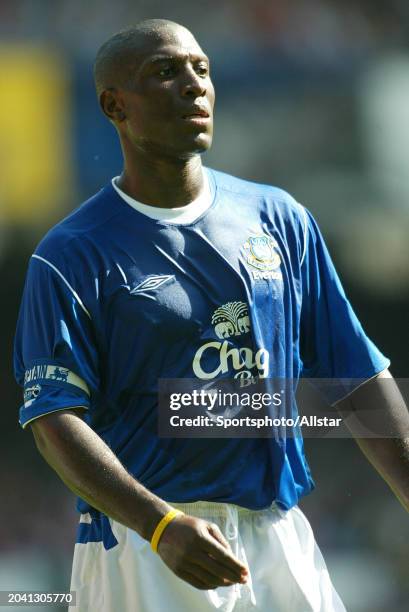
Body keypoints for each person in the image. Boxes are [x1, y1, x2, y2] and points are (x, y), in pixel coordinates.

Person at [14, 19, 409, 612]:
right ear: (113, 104)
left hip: (281, 540)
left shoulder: (280, 218)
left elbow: (355, 377)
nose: (193, 85)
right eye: (166, 73)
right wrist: (159, 525)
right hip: (146, 547)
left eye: (202, 70)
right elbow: (54, 421)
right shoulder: (72, 254)